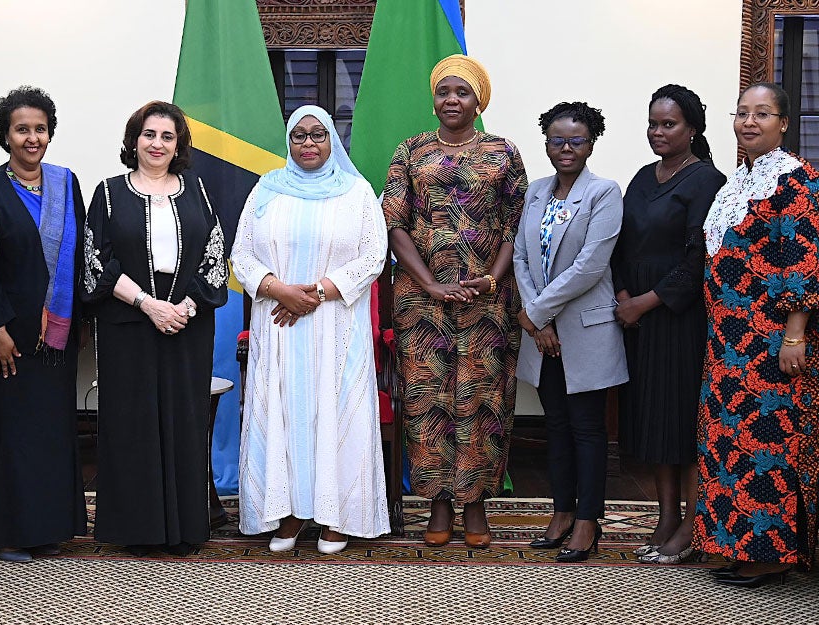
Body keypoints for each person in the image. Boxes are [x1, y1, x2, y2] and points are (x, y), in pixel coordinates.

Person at [382, 54, 528, 548]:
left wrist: (489, 280)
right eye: (444, 91)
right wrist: (429, 284)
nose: (451, 100)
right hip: (421, 302)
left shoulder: (503, 152)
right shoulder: (411, 151)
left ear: (478, 100)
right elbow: (395, 223)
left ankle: (476, 505)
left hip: (486, 301)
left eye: (462, 92)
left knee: (482, 400)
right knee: (428, 402)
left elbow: (516, 226)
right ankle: (438, 505)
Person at [232, 105, 389, 554]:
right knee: (284, 413)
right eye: (298, 135)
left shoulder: (357, 193)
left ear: (332, 140)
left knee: (334, 413)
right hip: (279, 327)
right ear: (288, 141)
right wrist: (280, 290)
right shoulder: (266, 189)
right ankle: (289, 513)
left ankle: (335, 517)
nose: (307, 143)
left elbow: (372, 257)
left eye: (318, 135)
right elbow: (242, 254)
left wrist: (316, 294)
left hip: (336, 326)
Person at [82, 100, 228, 557]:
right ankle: (137, 528)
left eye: (167, 136)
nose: (157, 144)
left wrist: (181, 307)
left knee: (184, 421)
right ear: (134, 140)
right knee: (133, 422)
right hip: (128, 322)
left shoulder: (199, 192)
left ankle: (184, 528)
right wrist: (149, 305)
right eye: (149, 134)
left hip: (188, 322)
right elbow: (95, 262)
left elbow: (215, 257)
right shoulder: (107, 193)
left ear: (179, 144)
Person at [696, 82, 819, 587]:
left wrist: (795, 334)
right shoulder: (738, 182)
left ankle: (772, 552)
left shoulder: (796, 181)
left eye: (762, 114)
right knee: (731, 441)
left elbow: (803, 259)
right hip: (727, 342)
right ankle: (737, 546)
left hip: (770, 342)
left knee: (769, 442)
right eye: (742, 113)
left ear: (784, 124)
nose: (749, 122)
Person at [0, 86, 87, 562]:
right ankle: (6, 531)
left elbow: (80, 257)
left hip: (56, 336)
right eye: (22, 130)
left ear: (50, 133)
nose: (32, 138)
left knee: (50, 430)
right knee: (7, 431)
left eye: (40, 129)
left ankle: (48, 527)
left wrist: (80, 323)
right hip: (5, 335)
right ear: (5, 136)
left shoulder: (66, 182)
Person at [610, 84, 726, 565]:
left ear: (692, 128)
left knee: (681, 421)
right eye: (653, 123)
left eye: (669, 124)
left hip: (679, 318)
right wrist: (622, 297)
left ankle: (693, 525)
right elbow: (621, 242)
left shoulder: (708, 181)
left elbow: (699, 256)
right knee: (652, 420)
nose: (658, 132)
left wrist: (647, 303)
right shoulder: (642, 176)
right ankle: (664, 519)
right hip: (635, 316)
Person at [513, 101, 627, 563]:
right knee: (555, 425)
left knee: (586, 428)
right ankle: (560, 513)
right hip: (543, 333)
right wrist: (538, 320)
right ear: (546, 143)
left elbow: (590, 266)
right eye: (557, 140)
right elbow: (520, 256)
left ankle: (587, 521)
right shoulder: (536, 191)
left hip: (585, 330)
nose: (565, 148)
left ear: (591, 143)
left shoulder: (604, 193)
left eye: (576, 140)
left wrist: (537, 313)